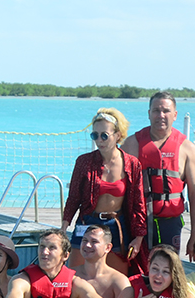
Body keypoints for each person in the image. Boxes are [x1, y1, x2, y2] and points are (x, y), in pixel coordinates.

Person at [62, 108, 147, 273]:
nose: (99, 140)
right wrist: (63, 228)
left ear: (118, 135)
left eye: (104, 135)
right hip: (87, 222)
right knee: (75, 276)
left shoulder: (132, 164)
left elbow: (138, 203)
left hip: (115, 225)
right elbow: (73, 198)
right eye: (94, 135)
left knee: (117, 280)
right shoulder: (84, 162)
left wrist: (138, 238)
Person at [122, 92, 195, 257]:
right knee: (135, 271)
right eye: (156, 110)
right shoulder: (131, 144)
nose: (161, 115)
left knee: (167, 271)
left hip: (170, 223)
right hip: (137, 223)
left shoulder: (187, 149)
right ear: (149, 114)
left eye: (166, 111)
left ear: (175, 115)